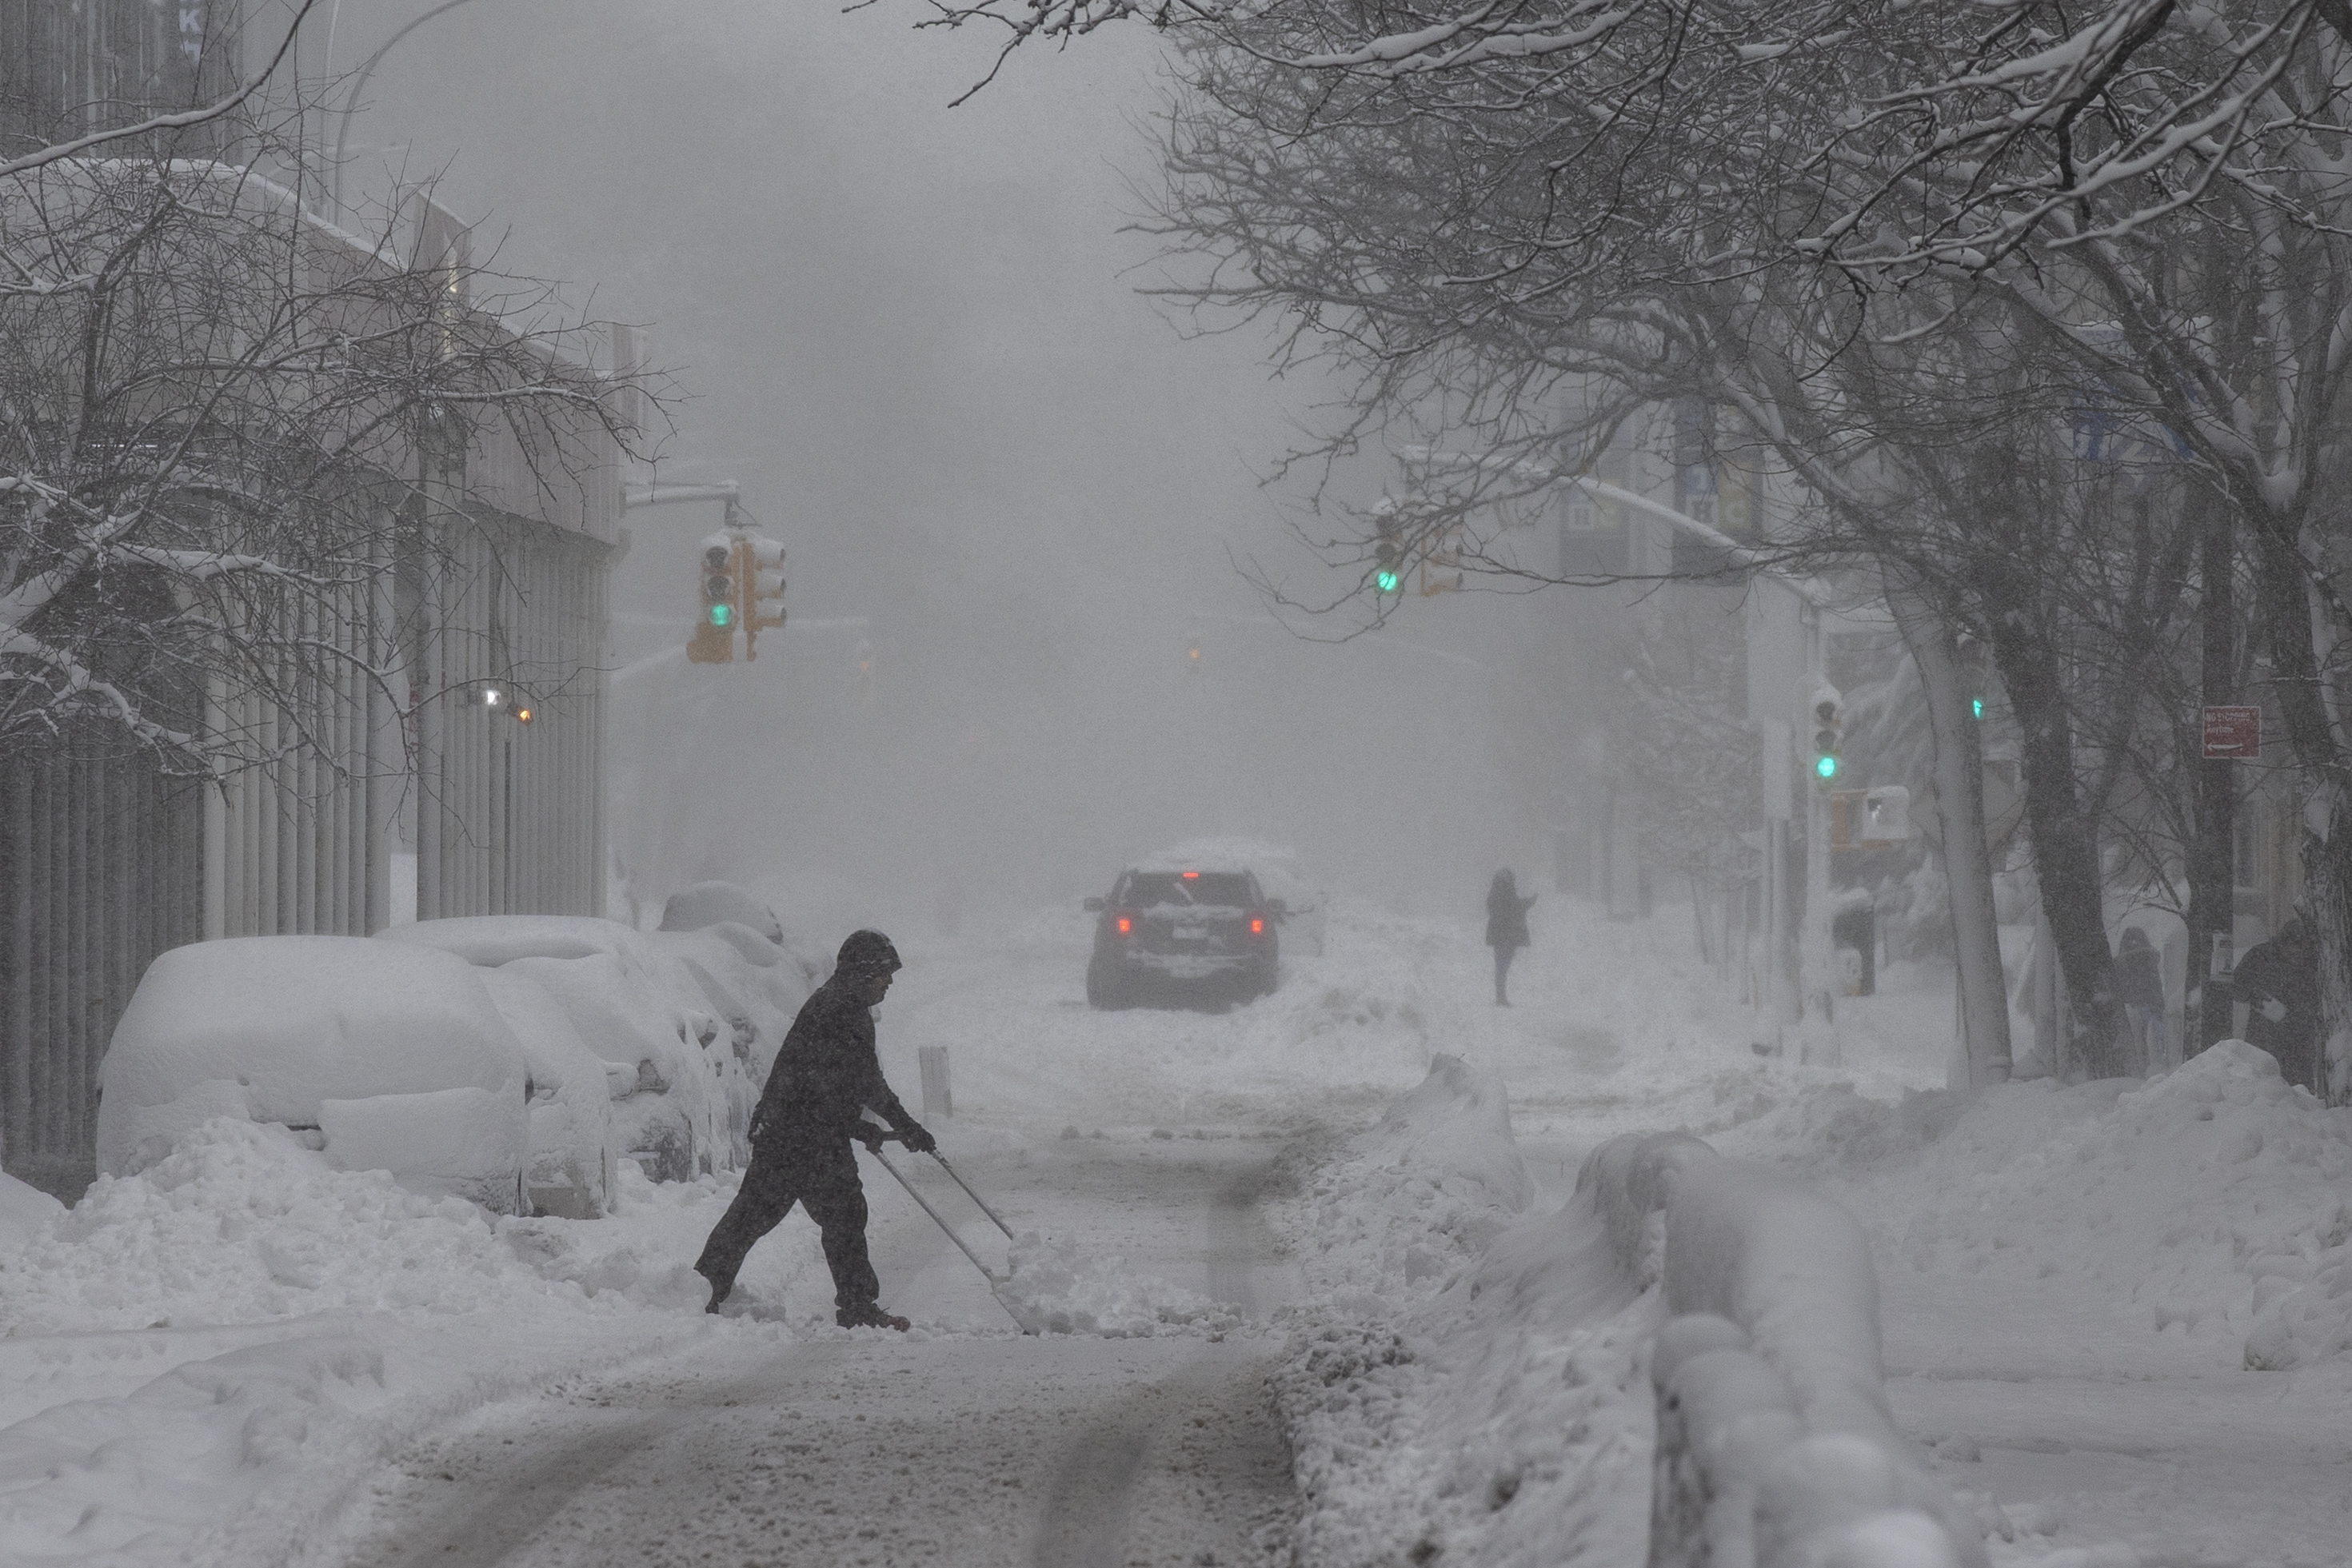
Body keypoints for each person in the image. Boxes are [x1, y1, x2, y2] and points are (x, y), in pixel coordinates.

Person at [694, 928, 936, 1328]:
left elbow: (860, 1082)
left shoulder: (847, 1007)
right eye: (884, 973)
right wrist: (868, 1127)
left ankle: (702, 1287)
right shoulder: (836, 1011)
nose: (890, 982)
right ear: (863, 972)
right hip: (798, 1135)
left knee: (771, 1215)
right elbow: (823, 1088)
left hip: (800, 1132)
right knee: (819, 1214)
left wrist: (904, 1126)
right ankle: (855, 1307)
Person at [2233, 912, 2322, 1095]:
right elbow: (2236, 986)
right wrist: (2256, 996)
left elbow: (2317, 1005)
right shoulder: (2259, 957)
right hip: (2263, 1043)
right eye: (2292, 948)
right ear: (2281, 943)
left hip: (2298, 1047)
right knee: (2262, 1096)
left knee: (2298, 1096)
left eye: (2302, 949)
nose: (2296, 954)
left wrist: (2293, 1016)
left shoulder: (2314, 964)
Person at [2114, 925, 2169, 1071]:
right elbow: (2155, 985)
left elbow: (2121, 989)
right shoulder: (2149, 959)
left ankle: (2138, 1070)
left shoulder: (2121, 964)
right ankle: (2156, 1068)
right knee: (2156, 1042)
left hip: (2131, 1008)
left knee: (2136, 1044)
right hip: (2152, 1007)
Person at [1484, 869, 1535, 1007]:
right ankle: (1501, 997)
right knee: (1503, 966)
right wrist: (1528, 903)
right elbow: (1514, 908)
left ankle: (1500, 996)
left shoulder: (1496, 893)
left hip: (1499, 935)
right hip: (1507, 935)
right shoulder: (1505, 892)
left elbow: (1504, 908)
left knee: (1501, 966)